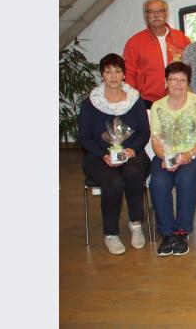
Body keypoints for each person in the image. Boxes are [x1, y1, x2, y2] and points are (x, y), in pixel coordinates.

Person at [77, 53, 151, 255]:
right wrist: (103, 154)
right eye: (108, 71)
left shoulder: (135, 99)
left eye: (117, 71)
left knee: (133, 173)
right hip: (98, 157)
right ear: (102, 75)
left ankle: (135, 224)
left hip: (132, 153)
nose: (113, 76)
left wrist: (131, 149)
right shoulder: (91, 103)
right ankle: (111, 234)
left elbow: (144, 131)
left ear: (124, 75)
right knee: (113, 182)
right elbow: (84, 137)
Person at [149, 62, 196, 256]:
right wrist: (166, 158)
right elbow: (155, 139)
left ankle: (181, 232)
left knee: (185, 179)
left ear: (188, 83)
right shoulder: (157, 106)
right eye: (173, 79)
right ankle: (167, 233)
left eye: (182, 80)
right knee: (158, 182)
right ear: (166, 82)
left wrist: (189, 155)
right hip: (167, 155)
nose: (178, 84)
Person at [123, 0, 191, 107]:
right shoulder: (134, 42)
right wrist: (133, 101)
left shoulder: (181, 39)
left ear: (166, 14)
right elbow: (129, 75)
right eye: (151, 12)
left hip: (180, 100)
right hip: (147, 102)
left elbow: (192, 69)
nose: (156, 15)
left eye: (160, 11)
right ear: (146, 16)